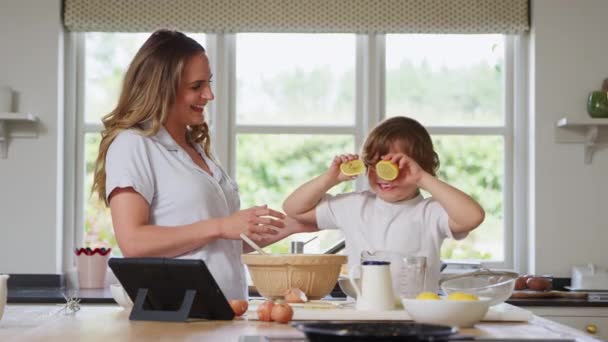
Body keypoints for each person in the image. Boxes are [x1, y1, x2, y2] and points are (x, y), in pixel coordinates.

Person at [91, 29, 315, 300]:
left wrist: (305, 222)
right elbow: (134, 242)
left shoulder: (196, 149)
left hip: (225, 312)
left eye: (208, 83)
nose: (209, 95)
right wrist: (221, 226)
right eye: (196, 87)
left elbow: (225, 243)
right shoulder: (133, 145)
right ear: (161, 89)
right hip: (178, 317)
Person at [283, 116, 485, 293]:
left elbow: (473, 217)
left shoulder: (431, 212)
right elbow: (293, 208)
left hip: (416, 316)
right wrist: (330, 178)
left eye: (398, 166)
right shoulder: (354, 205)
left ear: (420, 168)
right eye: (375, 164)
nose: (384, 175)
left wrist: (422, 177)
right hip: (361, 314)